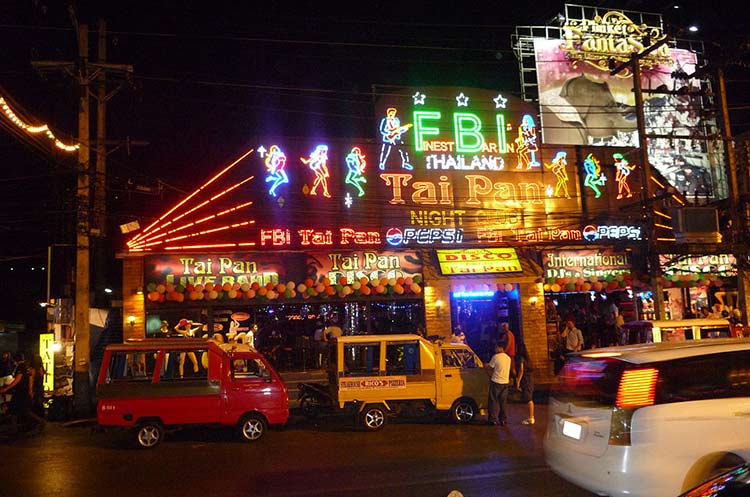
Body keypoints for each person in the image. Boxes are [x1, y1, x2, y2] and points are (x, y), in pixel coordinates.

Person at [0, 353, 36, 430]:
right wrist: (30, 390)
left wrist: (5, 389)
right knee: (19, 410)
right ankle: (15, 427)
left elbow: (17, 380)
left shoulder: (20, 367)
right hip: (24, 391)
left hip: (20, 391)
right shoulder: (26, 367)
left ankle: (40, 422)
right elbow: (30, 378)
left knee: (17, 410)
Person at [484, 342, 511, 426]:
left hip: (496, 382)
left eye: (496, 347)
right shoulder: (508, 358)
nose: (495, 349)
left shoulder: (496, 357)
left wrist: (485, 365)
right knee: (503, 403)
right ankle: (503, 420)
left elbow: (490, 367)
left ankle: (492, 419)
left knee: (492, 401)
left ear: (500, 348)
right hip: (505, 382)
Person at [515, 344, 535, 426]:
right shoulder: (528, 359)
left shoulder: (521, 359)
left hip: (526, 379)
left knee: (528, 399)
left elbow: (521, 370)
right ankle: (531, 416)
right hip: (530, 379)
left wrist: (518, 381)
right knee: (529, 398)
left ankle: (531, 417)